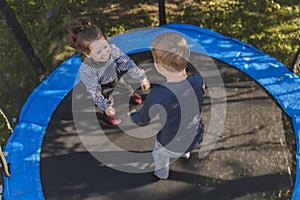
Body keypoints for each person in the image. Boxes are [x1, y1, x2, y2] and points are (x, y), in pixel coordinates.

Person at [130, 32, 205, 180]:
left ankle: (161, 173)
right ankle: (186, 153)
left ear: (158, 67)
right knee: (185, 132)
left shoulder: (159, 95)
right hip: (196, 136)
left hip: (171, 143)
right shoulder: (198, 80)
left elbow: (143, 118)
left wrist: (132, 116)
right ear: (188, 54)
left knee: (158, 153)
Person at [67, 16, 150, 125]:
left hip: (115, 76)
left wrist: (142, 77)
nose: (105, 53)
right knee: (108, 101)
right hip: (103, 87)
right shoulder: (87, 70)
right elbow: (94, 92)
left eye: (105, 47)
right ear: (88, 54)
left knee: (126, 88)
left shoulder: (113, 50)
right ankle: (109, 115)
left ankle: (131, 94)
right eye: (98, 52)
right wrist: (105, 107)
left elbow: (127, 63)